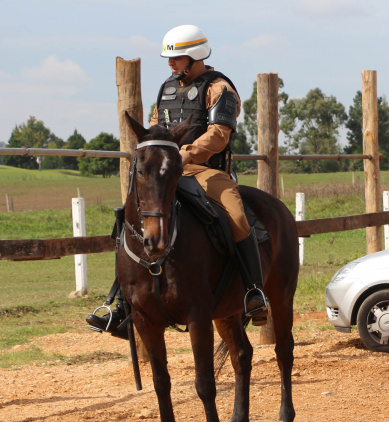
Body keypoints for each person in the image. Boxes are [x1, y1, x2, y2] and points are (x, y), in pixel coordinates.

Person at [86, 24, 268, 338]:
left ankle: (253, 291)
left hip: (208, 171)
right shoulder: (167, 88)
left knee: (238, 218)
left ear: (194, 56)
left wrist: (183, 155)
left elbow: (219, 135)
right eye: (169, 59)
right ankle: (122, 304)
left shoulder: (219, 87)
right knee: (130, 217)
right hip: (169, 171)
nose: (171, 64)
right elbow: (157, 128)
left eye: (177, 58)